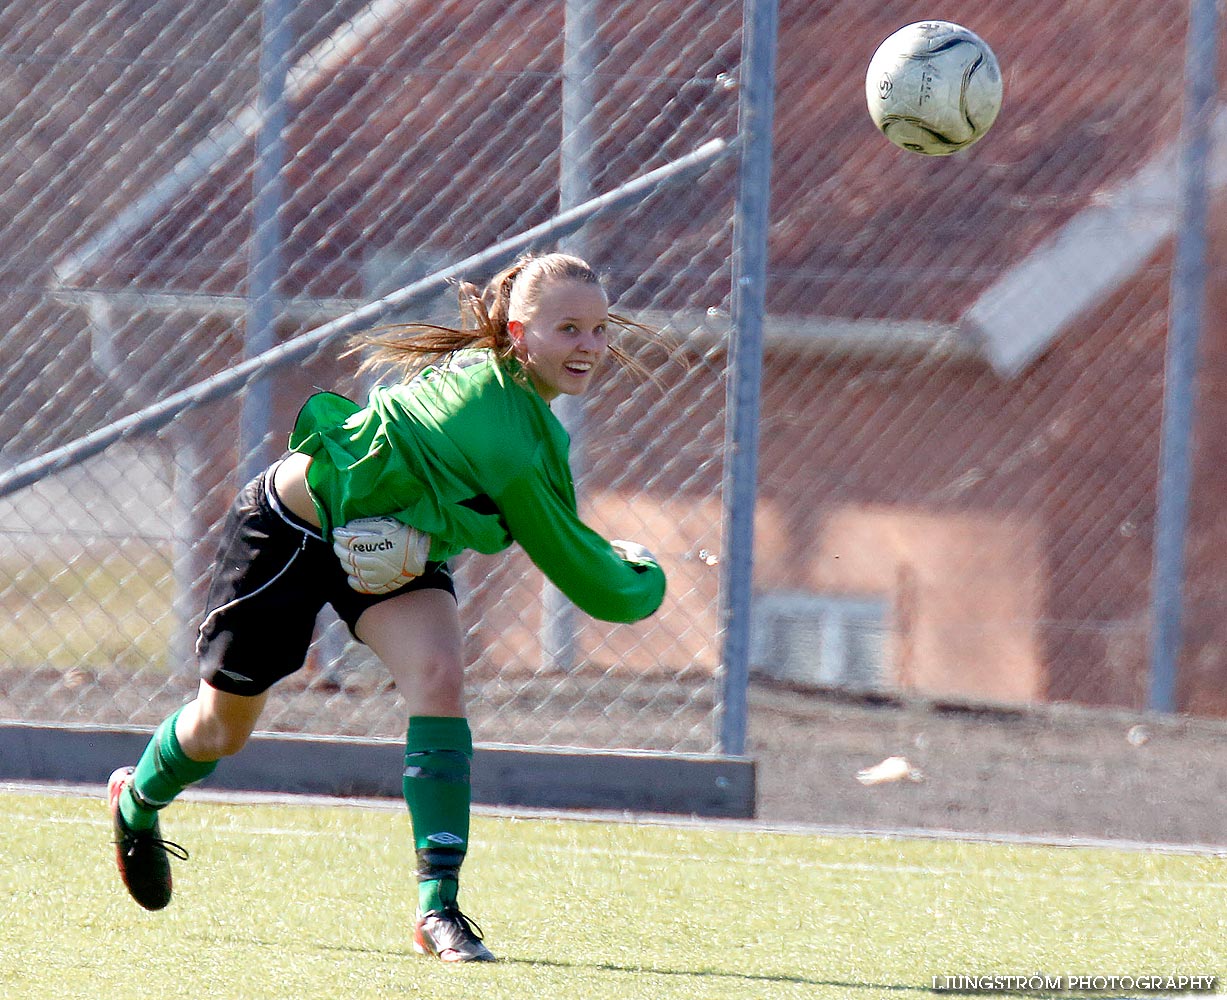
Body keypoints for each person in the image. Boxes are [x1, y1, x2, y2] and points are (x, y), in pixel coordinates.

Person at [106, 252, 667, 963]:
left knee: (439, 679)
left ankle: (438, 908)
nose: (590, 346)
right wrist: (643, 575)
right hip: (293, 526)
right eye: (568, 329)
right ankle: (137, 801)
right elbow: (588, 576)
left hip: (387, 549)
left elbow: (547, 529)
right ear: (518, 334)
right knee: (220, 732)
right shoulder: (504, 428)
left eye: (597, 329)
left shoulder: (525, 416)